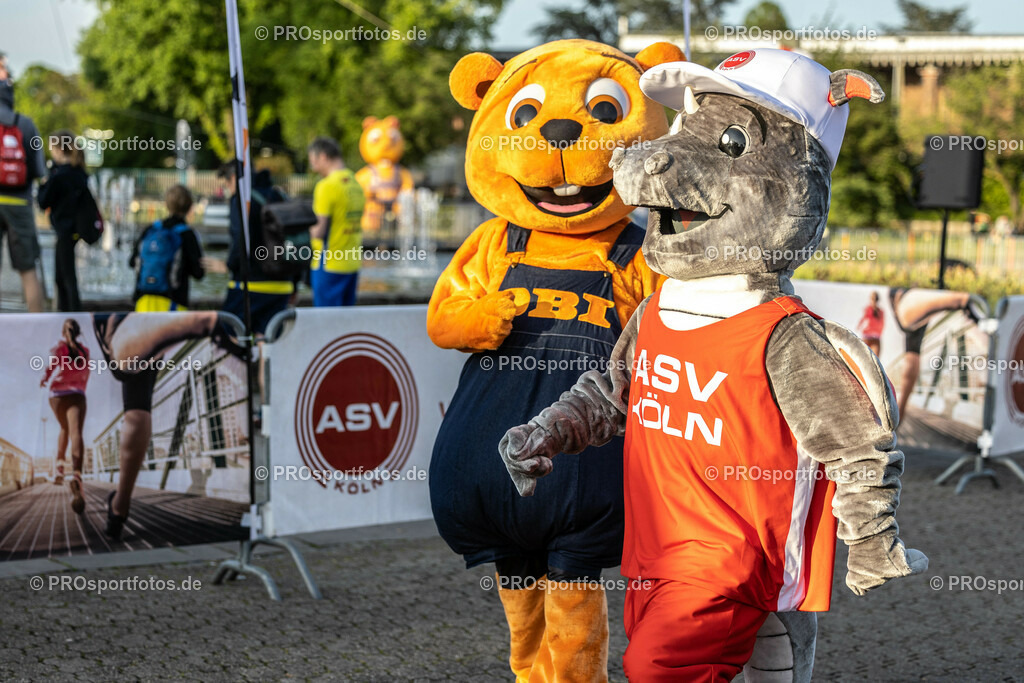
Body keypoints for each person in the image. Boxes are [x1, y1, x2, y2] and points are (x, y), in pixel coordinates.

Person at [207, 162, 297, 334]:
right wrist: (294, 282)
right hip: (283, 285)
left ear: (233, 178)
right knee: (267, 341)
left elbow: (239, 237)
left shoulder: (242, 199)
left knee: (229, 337)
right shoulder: (279, 195)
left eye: (227, 184)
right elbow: (293, 237)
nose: (228, 190)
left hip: (250, 285)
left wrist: (228, 265)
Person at [0, 52, 45, 312]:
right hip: (19, 202)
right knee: (28, 272)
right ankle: (38, 331)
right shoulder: (25, 124)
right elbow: (39, 169)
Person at [307, 136, 365, 307]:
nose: (312, 167)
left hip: (329, 263)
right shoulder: (356, 183)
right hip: (352, 262)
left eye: (313, 161)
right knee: (345, 325)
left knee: (326, 324)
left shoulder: (326, 186)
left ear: (323, 156)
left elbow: (319, 231)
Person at [40, 318, 89, 514]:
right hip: (77, 394)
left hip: (57, 396)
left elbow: (51, 366)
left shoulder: (59, 346)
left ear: (63, 331)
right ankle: (76, 474)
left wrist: (44, 378)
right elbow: (86, 374)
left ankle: (60, 467)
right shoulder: (86, 351)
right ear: (78, 332)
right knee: (75, 432)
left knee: (64, 428)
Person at [130, 184, 204, 311]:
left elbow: (132, 262)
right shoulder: (187, 234)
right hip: (174, 303)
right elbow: (198, 273)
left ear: (166, 205)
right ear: (189, 207)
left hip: (143, 301)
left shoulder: (151, 229)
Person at [37, 130, 89, 312]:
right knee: (64, 276)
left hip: (64, 230)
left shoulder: (58, 176)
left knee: (65, 279)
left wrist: (44, 183)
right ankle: (66, 314)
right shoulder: (79, 172)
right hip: (75, 229)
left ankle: (72, 316)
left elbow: (43, 201)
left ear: (59, 149)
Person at [857, 290, 885, 356]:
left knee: (874, 359)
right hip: (868, 336)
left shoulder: (880, 311)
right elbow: (864, 320)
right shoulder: (868, 309)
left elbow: (881, 324)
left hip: (875, 337)